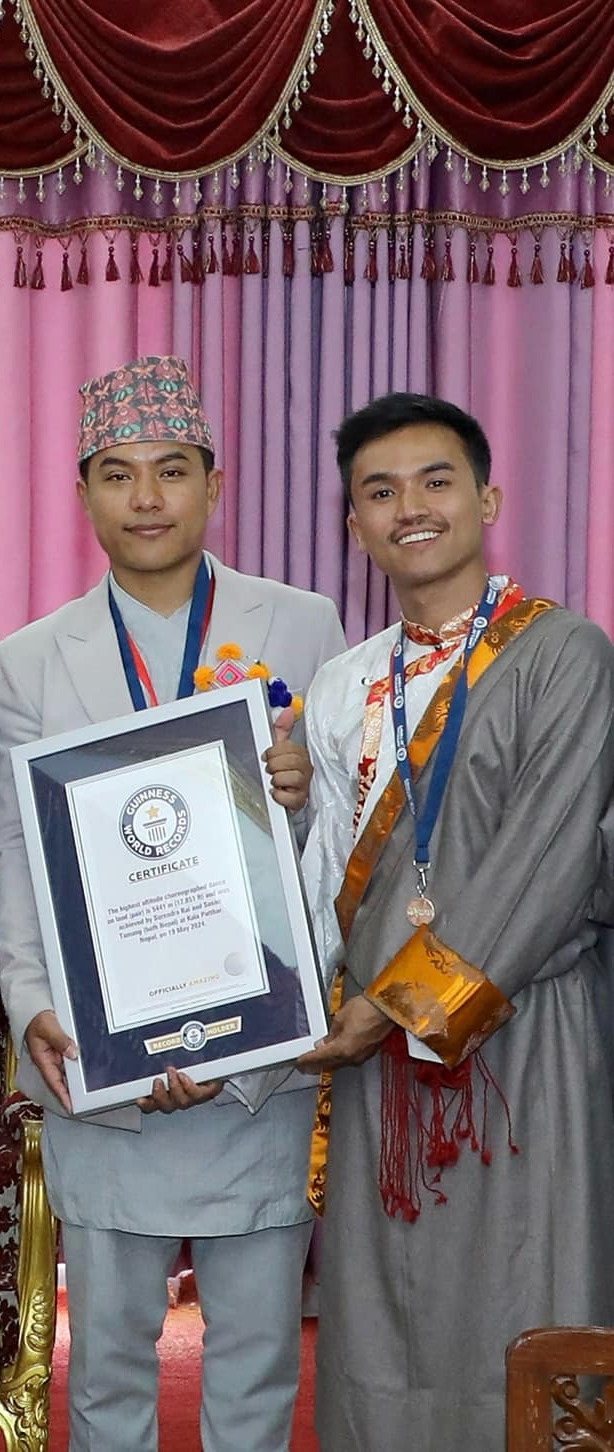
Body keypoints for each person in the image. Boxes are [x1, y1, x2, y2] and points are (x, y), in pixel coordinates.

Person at [0, 355, 346, 1452]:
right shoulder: (34, 657)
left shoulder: (302, 625)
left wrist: (299, 792)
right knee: (101, 1375)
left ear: (215, 484)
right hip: (104, 1063)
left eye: (171, 471)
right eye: (118, 473)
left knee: (254, 1367)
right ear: (85, 491)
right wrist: (38, 1004)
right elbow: (16, 848)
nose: (147, 497)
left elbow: (341, 838)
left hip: (256, 1066)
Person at [299, 391, 614, 1450]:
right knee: (383, 1321)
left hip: (527, 1047)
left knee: (532, 1299)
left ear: (486, 497)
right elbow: (324, 880)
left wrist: (395, 1009)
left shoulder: (567, 656)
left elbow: (552, 861)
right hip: (378, 1059)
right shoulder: (343, 686)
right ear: (354, 525)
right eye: (378, 492)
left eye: (436, 482)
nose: (410, 508)